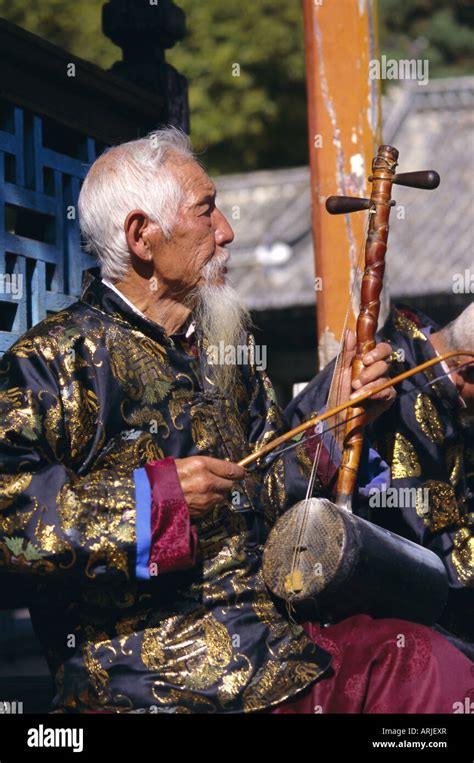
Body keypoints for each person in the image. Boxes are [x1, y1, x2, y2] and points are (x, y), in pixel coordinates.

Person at [0, 129, 471, 714]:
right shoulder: (52, 362)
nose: (227, 230)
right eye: (206, 211)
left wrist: (332, 420)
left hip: (276, 650)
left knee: (430, 666)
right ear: (141, 235)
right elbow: (10, 521)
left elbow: (269, 491)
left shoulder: (227, 342)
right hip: (147, 678)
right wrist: (158, 499)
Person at [365, 303, 474, 645]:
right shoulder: (400, 393)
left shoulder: (439, 375)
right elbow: (433, 547)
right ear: (467, 369)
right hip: (401, 611)